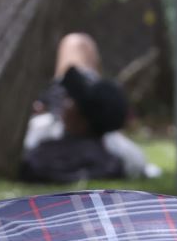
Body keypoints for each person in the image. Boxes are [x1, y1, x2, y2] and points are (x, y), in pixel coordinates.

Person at [20, 32, 160, 184]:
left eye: (72, 100)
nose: (66, 102)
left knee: (75, 42)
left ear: (81, 120)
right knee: (79, 43)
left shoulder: (41, 132)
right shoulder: (120, 150)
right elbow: (140, 164)